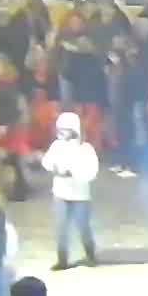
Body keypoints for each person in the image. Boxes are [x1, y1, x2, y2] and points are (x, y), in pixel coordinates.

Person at [43, 111, 103, 267]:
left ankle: (91, 254)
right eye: (60, 130)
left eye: (65, 130)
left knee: (83, 227)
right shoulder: (56, 146)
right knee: (61, 228)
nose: (61, 133)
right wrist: (54, 168)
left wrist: (73, 173)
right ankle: (62, 260)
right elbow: (47, 161)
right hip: (60, 193)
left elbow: (92, 171)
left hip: (80, 195)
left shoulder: (85, 149)